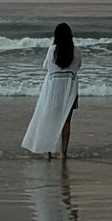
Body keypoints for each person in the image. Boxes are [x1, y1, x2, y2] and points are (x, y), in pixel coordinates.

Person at [20, 23, 81, 159]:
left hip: (53, 89)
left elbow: (45, 67)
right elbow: (78, 67)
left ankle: (48, 153)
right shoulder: (76, 51)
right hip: (69, 89)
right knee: (66, 122)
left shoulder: (52, 50)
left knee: (50, 120)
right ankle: (63, 153)